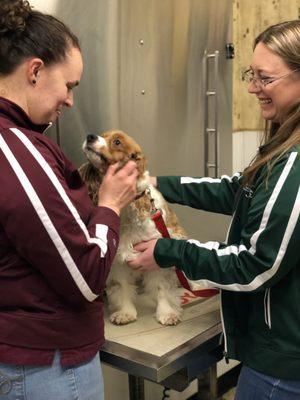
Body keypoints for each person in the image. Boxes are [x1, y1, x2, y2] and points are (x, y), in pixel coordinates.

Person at [128, 20, 300, 400]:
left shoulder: (295, 163)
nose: (253, 88)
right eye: (250, 75)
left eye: (265, 78)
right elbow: (237, 191)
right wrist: (155, 184)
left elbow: (255, 265)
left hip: (283, 370)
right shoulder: (282, 145)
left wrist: (168, 251)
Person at [0, 0, 138, 399]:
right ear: (36, 71)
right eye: (69, 86)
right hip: (45, 368)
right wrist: (110, 205)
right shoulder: (16, 149)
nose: (70, 101)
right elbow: (86, 279)